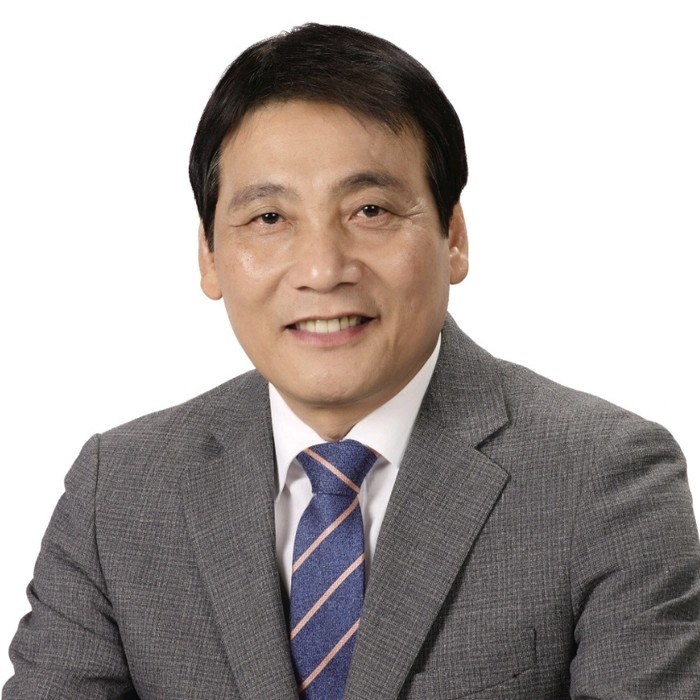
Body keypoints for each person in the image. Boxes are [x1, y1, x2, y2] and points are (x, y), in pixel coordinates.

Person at [4, 22, 700, 699]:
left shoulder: (604, 480)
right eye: (269, 219)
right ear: (209, 256)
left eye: (369, 210)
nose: (322, 268)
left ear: (454, 237)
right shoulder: (119, 492)